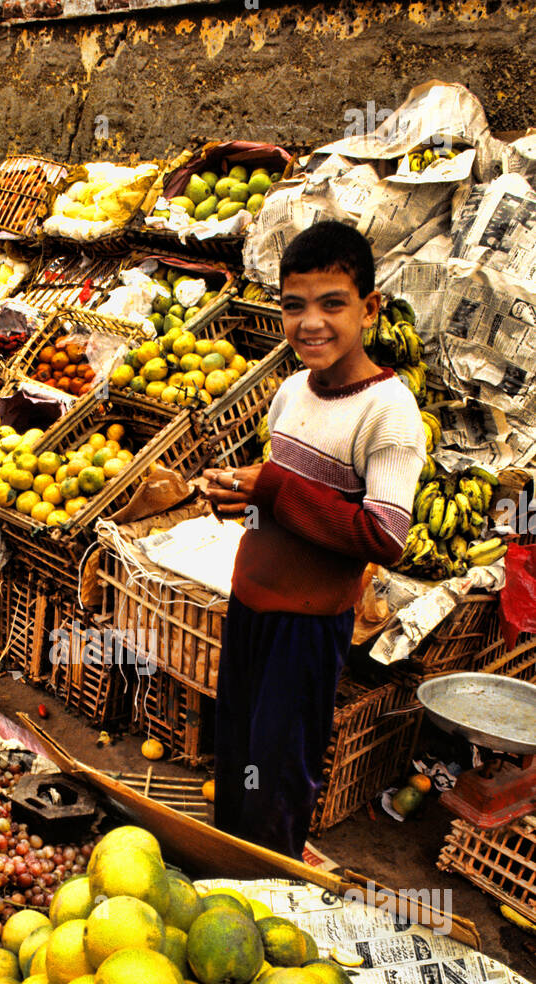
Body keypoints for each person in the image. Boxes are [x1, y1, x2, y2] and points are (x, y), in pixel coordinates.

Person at [204, 220, 426, 860]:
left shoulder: (388, 411)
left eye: (333, 304)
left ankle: (264, 897)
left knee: (280, 772)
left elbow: (385, 536)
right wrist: (244, 505)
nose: (312, 323)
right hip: (250, 605)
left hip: (306, 628)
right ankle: (223, 866)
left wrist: (271, 488)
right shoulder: (291, 391)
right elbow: (281, 502)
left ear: (370, 309)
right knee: (239, 752)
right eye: (294, 305)